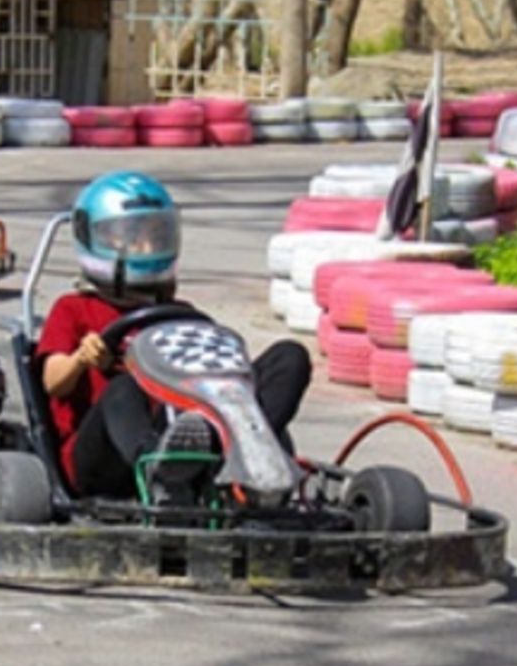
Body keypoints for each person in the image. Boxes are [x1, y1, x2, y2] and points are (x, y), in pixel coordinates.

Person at [34, 171, 312, 502]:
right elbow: (52, 383)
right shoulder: (74, 309)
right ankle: (159, 469)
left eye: (155, 236)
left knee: (290, 356)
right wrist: (81, 358)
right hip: (103, 460)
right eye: (131, 238)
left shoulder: (180, 313)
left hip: (188, 434)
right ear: (96, 239)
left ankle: (252, 453)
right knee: (124, 387)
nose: (145, 247)